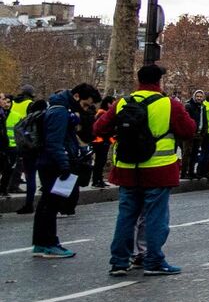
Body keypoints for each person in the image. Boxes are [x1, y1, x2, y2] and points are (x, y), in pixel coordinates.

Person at [97, 64, 198, 276]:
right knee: (155, 218)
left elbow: (98, 128)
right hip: (158, 169)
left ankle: (119, 261)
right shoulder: (169, 104)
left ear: (138, 80)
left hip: (126, 167)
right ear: (159, 81)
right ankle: (153, 260)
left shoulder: (122, 102)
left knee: (126, 216)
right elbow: (189, 131)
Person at [28, 83, 100, 258]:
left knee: (47, 204)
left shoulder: (59, 108)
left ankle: (42, 243)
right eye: (85, 104)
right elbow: (55, 142)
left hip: (51, 163)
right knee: (51, 205)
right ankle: (49, 243)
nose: (85, 108)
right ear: (76, 97)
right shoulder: (60, 112)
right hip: (55, 165)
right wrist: (64, 165)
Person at [6, 86, 37, 212]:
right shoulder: (30, 104)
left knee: (13, 165)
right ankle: (17, 188)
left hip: (14, 136)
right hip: (27, 139)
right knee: (28, 172)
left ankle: (10, 185)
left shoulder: (13, 103)